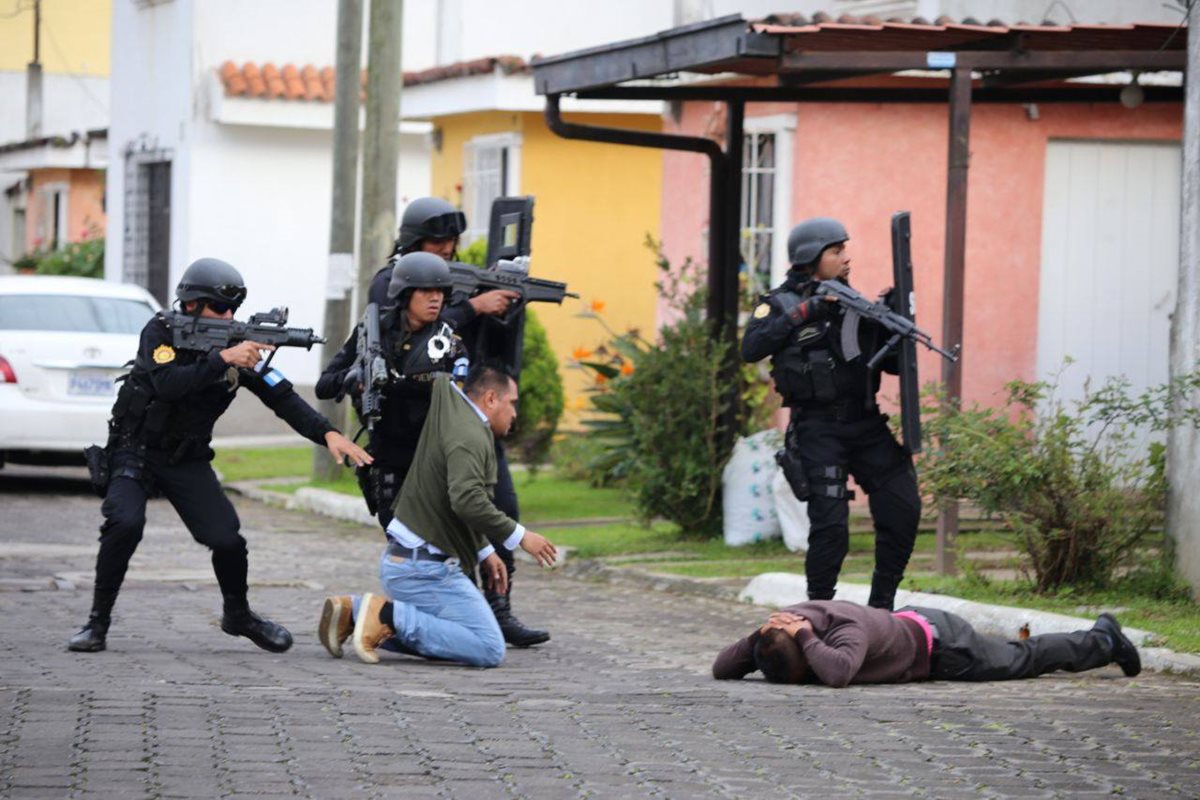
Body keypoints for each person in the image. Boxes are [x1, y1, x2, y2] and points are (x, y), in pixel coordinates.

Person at [67, 258, 371, 654]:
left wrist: (329, 433)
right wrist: (222, 360)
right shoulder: (161, 331)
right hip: (135, 450)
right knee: (125, 523)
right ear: (191, 304)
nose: (228, 317)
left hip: (187, 458)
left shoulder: (237, 346)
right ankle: (97, 623)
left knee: (227, 540)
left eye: (233, 310)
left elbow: (282, 398)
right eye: (219, 308)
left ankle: (238, 614)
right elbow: (167, 384)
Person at [359, 197, 547, 647]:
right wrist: (474, 307)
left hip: (469, 415)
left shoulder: (458, 280)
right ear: (413, 240)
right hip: (414, 431)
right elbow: (416, 332)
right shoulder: (393, 281)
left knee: (502, 505)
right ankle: (409, 618)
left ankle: (497, 610)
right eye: (437, 239)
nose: (447, 248)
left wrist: (501, 312)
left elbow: (473, 345)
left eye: (452, 240)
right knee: (431, 533)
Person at [317, 365, 559, 668]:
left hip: (408, 562)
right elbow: (467, 500)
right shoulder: (468, 434)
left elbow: (451, 495)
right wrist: (522, 537)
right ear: (491, 399)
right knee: (488, 646)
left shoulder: (457, 415)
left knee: (456, 635)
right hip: (425, 571)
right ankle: (385, 615)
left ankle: (353, 612)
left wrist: (484, 550)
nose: (515, 414)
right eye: (513, 403)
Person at [741, 217, 921, 611]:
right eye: (836, 251)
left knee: (902, 506)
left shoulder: (851, 303)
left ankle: (881, 608)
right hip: (818, 429)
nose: (845, 258)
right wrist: (805, 311)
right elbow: (751, 347)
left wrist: (894, 322)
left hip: (866, 423)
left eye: (844, 249)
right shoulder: (778, 303)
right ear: (811, 256)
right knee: (830, 527)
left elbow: (887, 366)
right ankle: (819, 611)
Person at [316, 251, 468, 530]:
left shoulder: (449, 343)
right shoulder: (372, 332)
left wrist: (400, 384)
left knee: (439, 545)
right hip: (387, 459)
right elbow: (324, 386)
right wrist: (352, 378)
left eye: (440, 291)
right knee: (401, 540)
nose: (435, 298)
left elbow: (460, 400)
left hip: (433, 459)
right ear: (405, 293)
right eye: (426, 291)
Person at [712, 600, 1142, 686]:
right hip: (915, 624)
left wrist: (802, 637)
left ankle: (1103, 638)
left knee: (1022, 660)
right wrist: (759, 634)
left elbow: (838, 673)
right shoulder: (788, 626)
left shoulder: (845, 630)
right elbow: (720, 668)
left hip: (946, 648)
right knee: (1011, 651)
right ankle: (1094, 639)